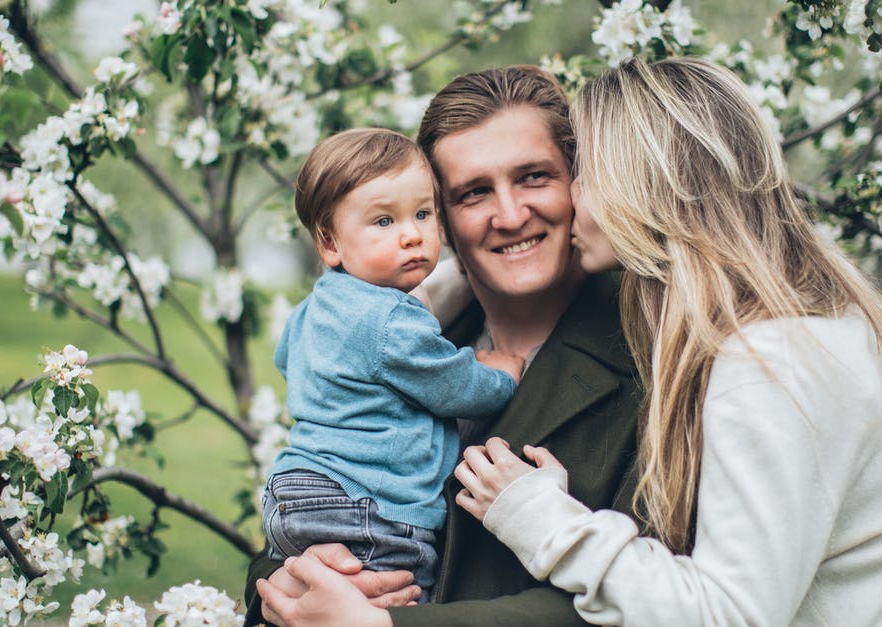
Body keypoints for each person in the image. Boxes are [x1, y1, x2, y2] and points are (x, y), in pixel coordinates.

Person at [454, 57, 882, 626]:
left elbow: (730, 615)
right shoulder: (788, 331)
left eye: (585, 173)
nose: (571, 197)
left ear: (645, 184)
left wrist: (541, 517)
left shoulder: (772, 364)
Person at [244, 66, 644, 626]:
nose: (509, 216)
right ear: (445, 219)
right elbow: (324, 496)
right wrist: (287, 584)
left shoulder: (653, 356)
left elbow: (653, 601)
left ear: (578, 187)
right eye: (474, 192)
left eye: (534, 177)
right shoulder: (413, 332)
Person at [262, 128, 524, 603]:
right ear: (330, 242)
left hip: (294, 493)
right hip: (366, 506)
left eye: (423, 214)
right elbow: (453, 386)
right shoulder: (390, 317)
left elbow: (288, 360)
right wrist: (500, 374)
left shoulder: (313, 307)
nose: (412, 235)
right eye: (383, 221)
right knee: (400, 597)